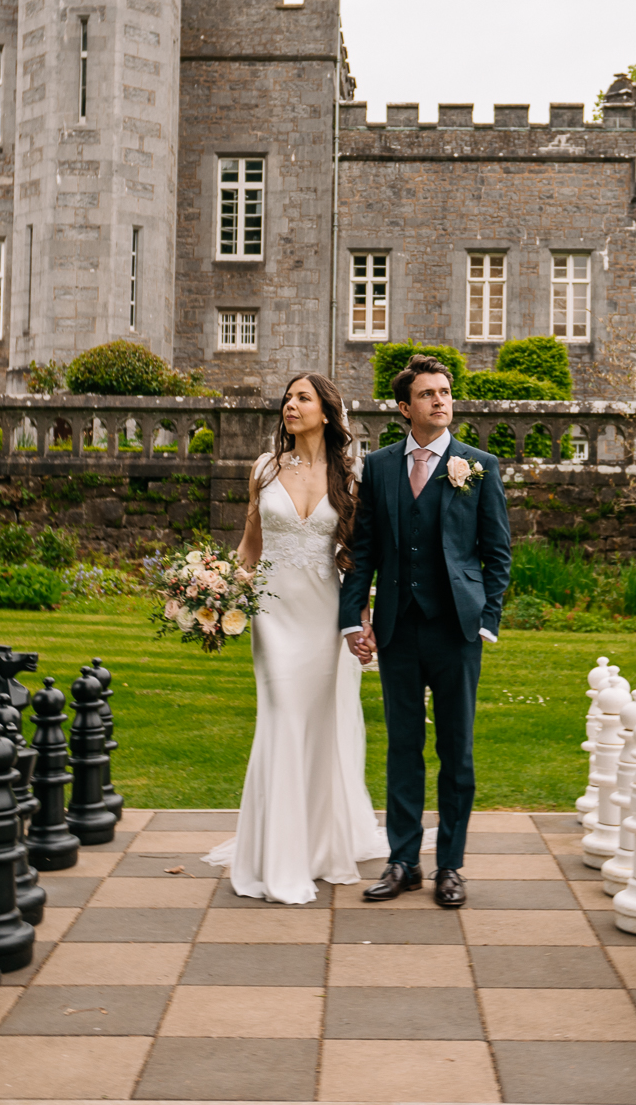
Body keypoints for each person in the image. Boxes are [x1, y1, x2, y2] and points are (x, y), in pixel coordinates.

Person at [204, 373, 385, 902]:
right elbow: (249, 547)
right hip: (273, 612)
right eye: (287, 398)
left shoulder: (352, 475)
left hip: (326, 614)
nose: (290, 405)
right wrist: (217, 596)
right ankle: (276, 858)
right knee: (282, 718)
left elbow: (359, 557)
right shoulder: (264, 469)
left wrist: (364, 616)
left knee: (322, 726)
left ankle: (317, 845)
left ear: (326, 412)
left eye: (302, 398)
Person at [340, 354, 511, 908]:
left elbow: (497, 554)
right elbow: (363, 550)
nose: (440, 400)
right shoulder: (381, 467)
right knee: (403, 747)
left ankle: (451, 867)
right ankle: (403, 861)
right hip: (397, 628)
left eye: (445, 392)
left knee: (456, 751)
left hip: (458, 631)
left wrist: (487, 622)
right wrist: (353, 616)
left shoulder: (478, 465)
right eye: (428, 394)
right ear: (404, 407)